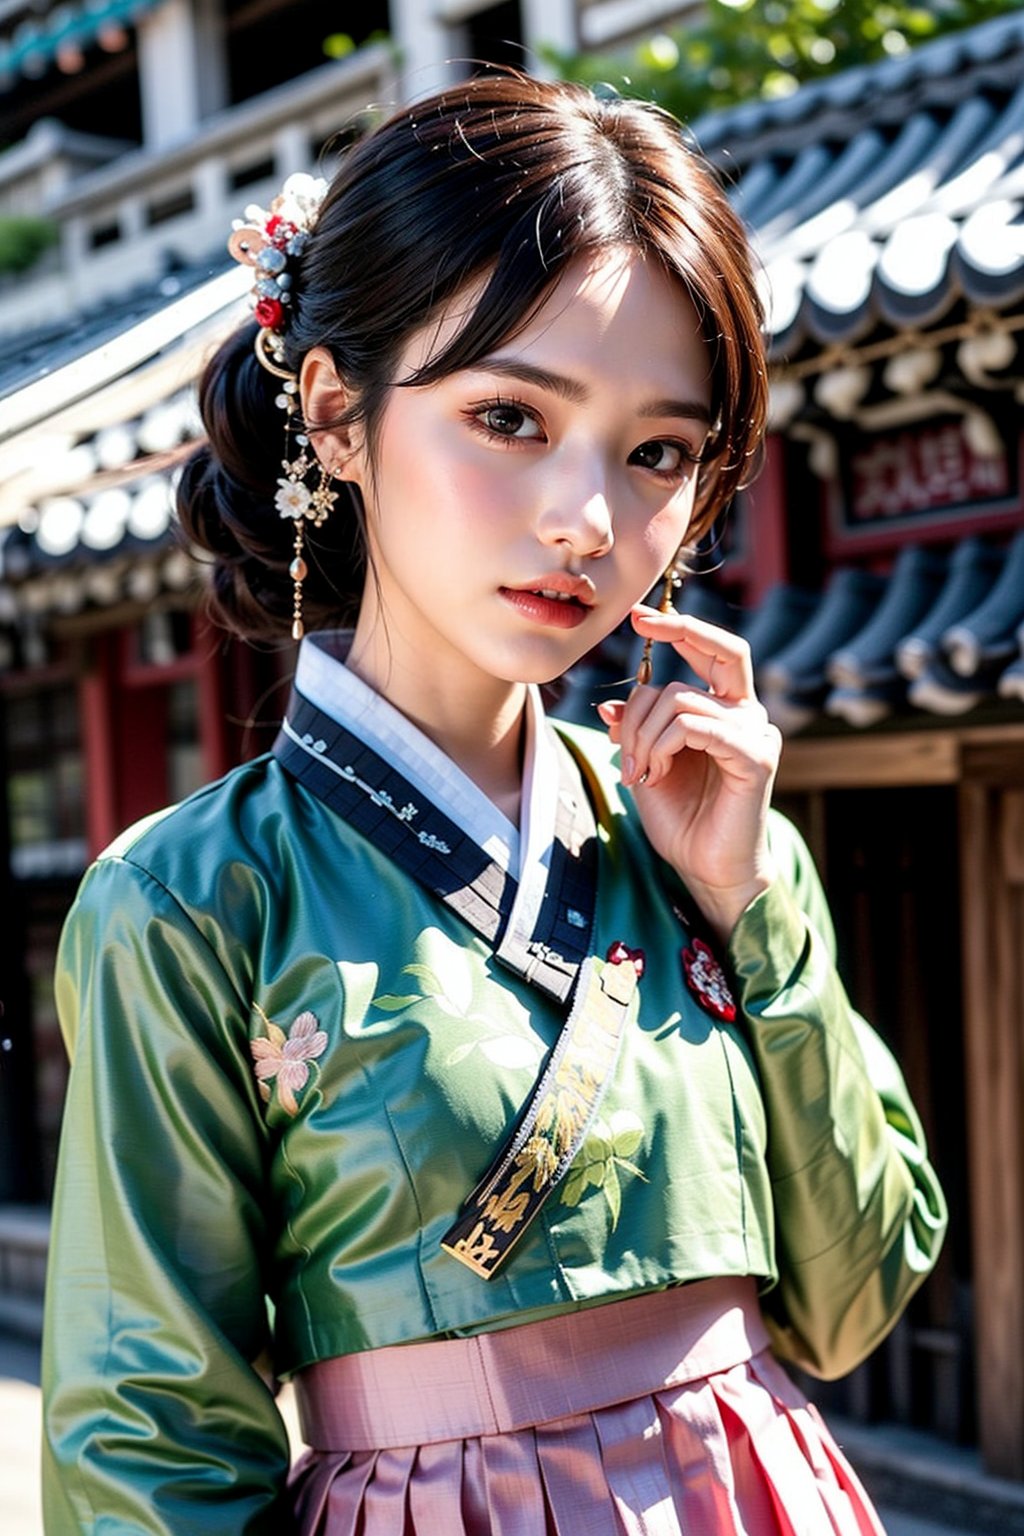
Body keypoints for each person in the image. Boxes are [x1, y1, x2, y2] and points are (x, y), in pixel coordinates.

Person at [42, 71, 947, 1535]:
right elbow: (147, 1457)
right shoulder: (192, 903)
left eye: (658, 451)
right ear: (336, 410)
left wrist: (752, 914)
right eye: (511, 416)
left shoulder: (710, 838)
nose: (590, 520)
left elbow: (851, 1306)